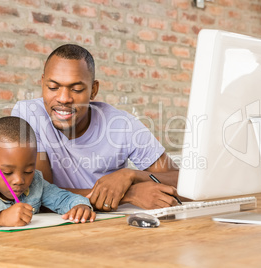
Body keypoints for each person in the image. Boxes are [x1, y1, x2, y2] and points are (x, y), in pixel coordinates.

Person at [11, 44, 181, 212]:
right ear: (42, 84)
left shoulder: (122, 125)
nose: (63, 98)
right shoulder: (28, 115)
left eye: (76, 89)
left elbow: (185, 183)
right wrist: (128, 194)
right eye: (53, 87)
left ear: (93, 90)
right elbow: (40, 194)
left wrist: (133, 175)